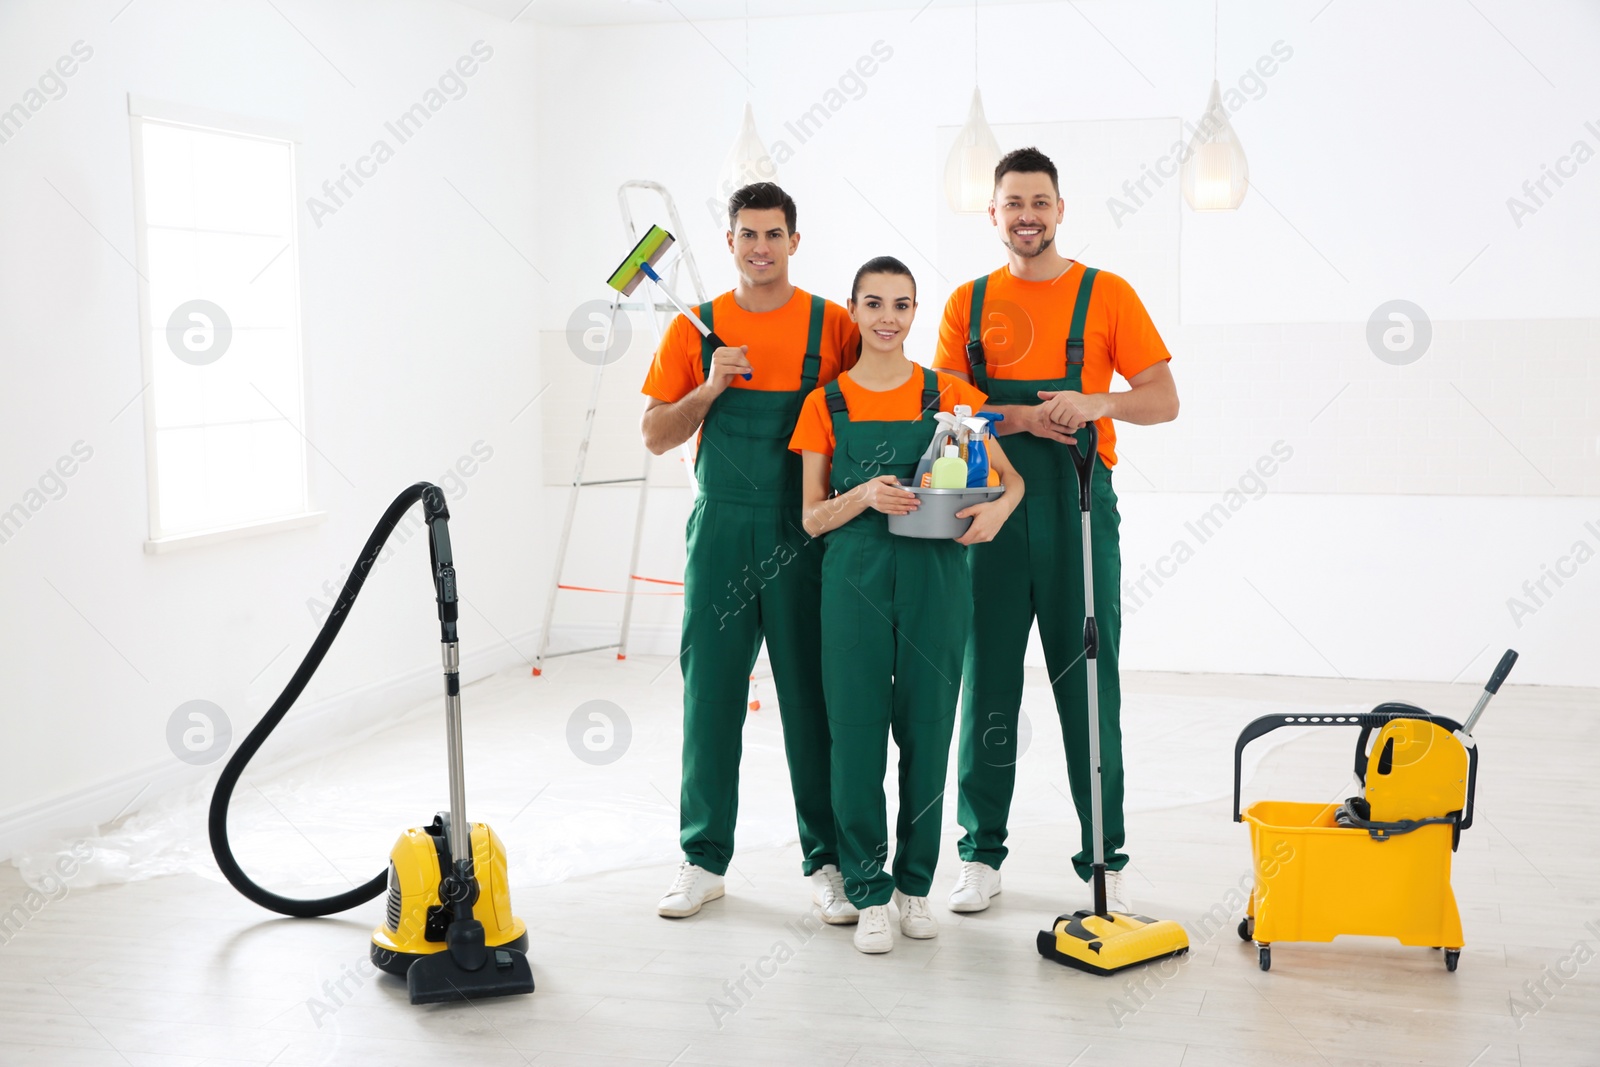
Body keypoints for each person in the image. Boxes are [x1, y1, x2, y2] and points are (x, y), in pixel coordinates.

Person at [933, 147, 1179, 916]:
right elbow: (946, 413)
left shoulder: (1108, 295)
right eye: (1013, 203)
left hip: (1077, 505)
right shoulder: (965, 305)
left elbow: (1163, 398)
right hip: (987, 503)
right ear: (994, 214)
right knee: (989, 683)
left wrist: (1094, 404)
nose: (1027, 215)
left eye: (1040, 201)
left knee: (1088, 681)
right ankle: (980, 852)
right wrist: (1029, 417)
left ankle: (1103, 852)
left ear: (1061, 209)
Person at [640, 183, 861, 922]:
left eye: (773, 234)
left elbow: (877, 402)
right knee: (711, 694)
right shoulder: (695, 328)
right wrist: (710, 385)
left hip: (804, 528)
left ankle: (826, 859)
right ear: (728, 243)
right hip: (724, 531)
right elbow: (656, 434)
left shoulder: (834, 325)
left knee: (812, 698)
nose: (759, 247)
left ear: (795, 242)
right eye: (746, 235)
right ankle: (703, 859)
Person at [790, 256, 1022, 953]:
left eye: (901, 304)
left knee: (928, 727)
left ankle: (914, 886)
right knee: (855, 733)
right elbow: (809, 518)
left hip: (937, 577)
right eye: (874, 303)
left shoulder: (950, 394)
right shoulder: (824, 403)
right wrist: (863, 494)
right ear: (854, 312)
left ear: (915, 313)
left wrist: (995, 516)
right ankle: (867, 892)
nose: (887, 318)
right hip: (853, 577)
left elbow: (1008, 483)